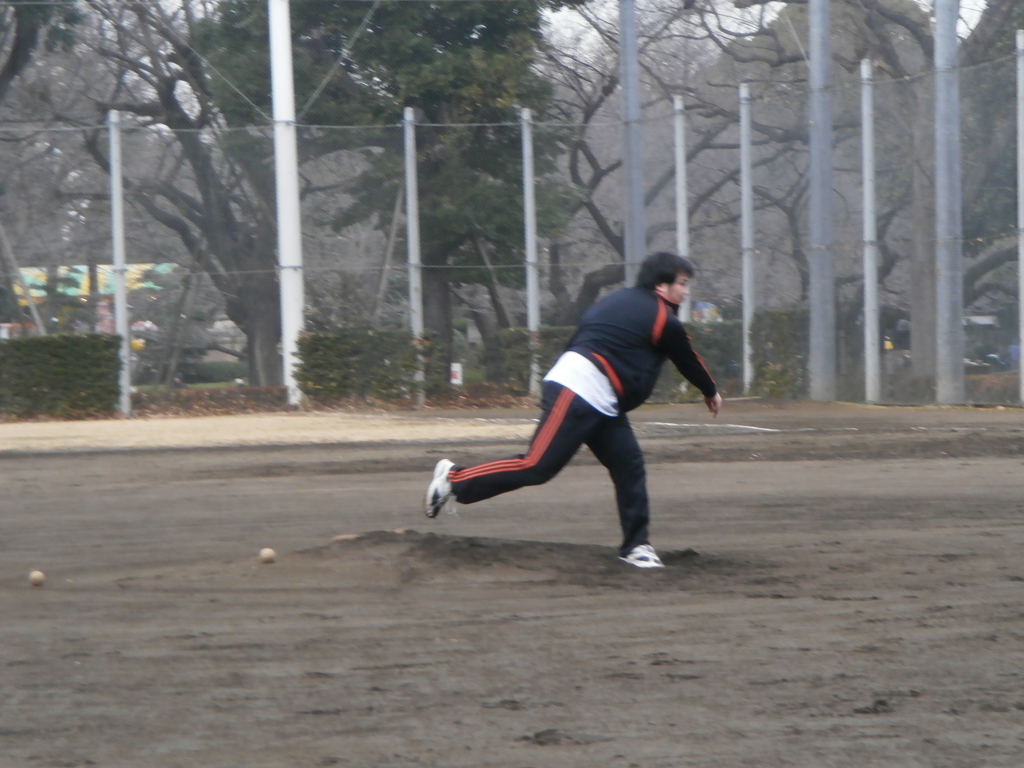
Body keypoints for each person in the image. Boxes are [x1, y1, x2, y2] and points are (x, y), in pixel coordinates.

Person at [424, 252, 722, 568]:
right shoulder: (664, 318)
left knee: (629, 465)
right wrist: (711, 391)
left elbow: (584, 336)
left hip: (598, 397)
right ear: (662, 284)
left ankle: (637, 547)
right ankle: (454, 478)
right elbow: (687, 358)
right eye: (682, 283)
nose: (686, 291)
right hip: (578, 389)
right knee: (537, 465)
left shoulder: (616, 299)